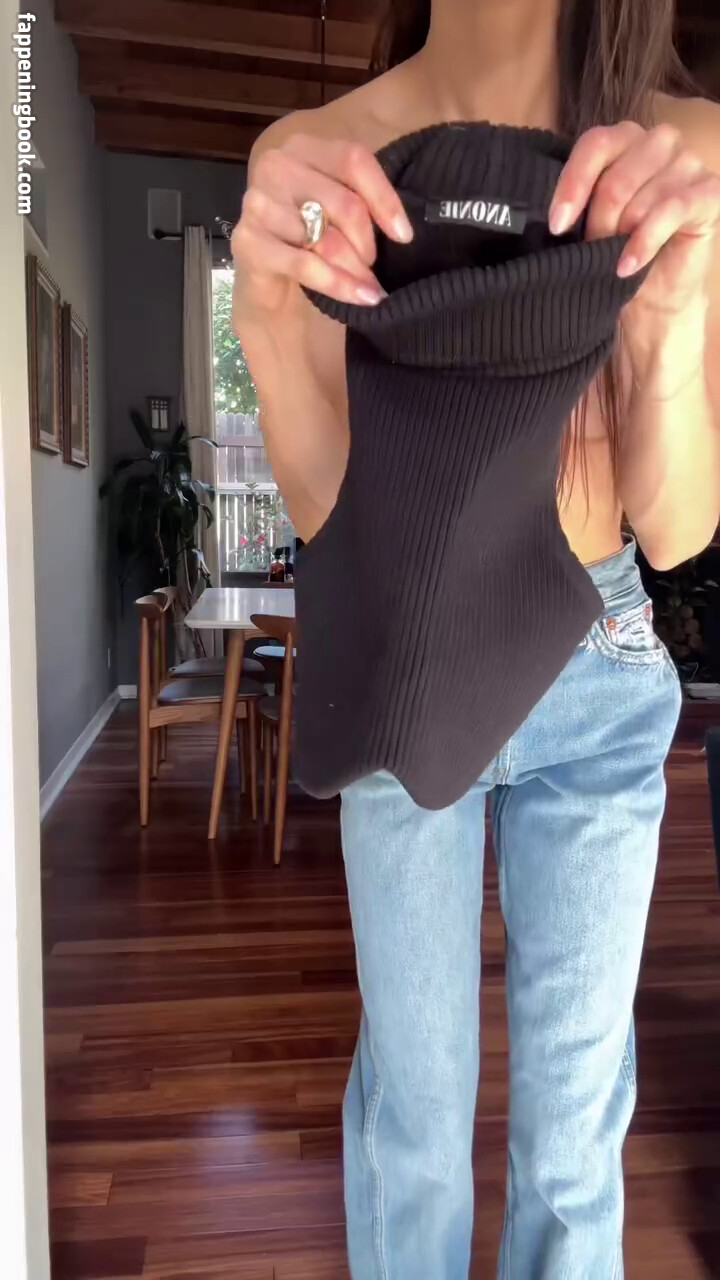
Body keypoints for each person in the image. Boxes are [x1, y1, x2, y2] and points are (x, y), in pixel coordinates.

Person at [231, 1, 720, 1275]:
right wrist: (269, 324)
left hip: (600, 659)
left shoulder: (687, 149)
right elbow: (329, 510)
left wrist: (669, 315)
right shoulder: (327, 154)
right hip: (406, 642)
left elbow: (677, 529)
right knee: (415, 1122)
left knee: (574, 1144)